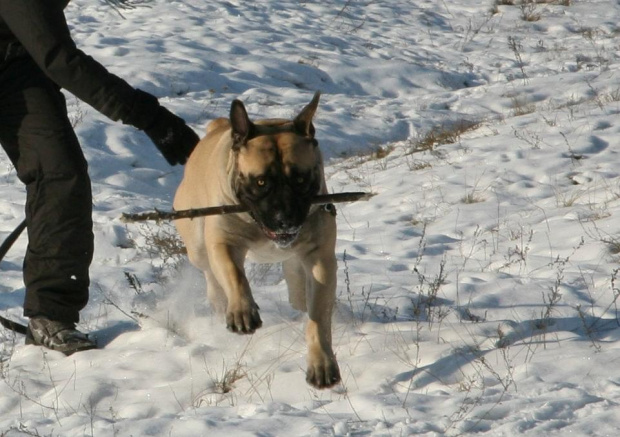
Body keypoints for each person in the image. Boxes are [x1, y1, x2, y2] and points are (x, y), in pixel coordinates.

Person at [0, 0, 199, 355]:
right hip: (27, 55)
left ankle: (50, 316)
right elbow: (60, 57)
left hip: (16, 61)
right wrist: (150, 116)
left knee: (61, 174)